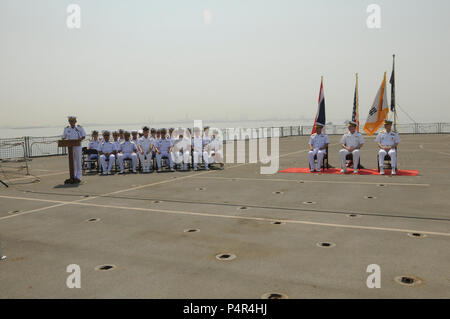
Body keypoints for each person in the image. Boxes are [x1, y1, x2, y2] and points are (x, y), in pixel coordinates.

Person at [61, 116, 86, 183]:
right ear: (69, 122)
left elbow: (83, 136)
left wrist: (79, 140)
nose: (72, 122)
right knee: (72, 161)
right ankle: (73, 176)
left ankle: (78, 177)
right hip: (70, 147)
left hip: (77, 146)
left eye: (73, 121)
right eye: (71, 121)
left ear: (75, 122)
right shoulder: (66, 129)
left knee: (78, 161)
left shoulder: (79, 128)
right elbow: (63, 137)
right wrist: (64, 140)